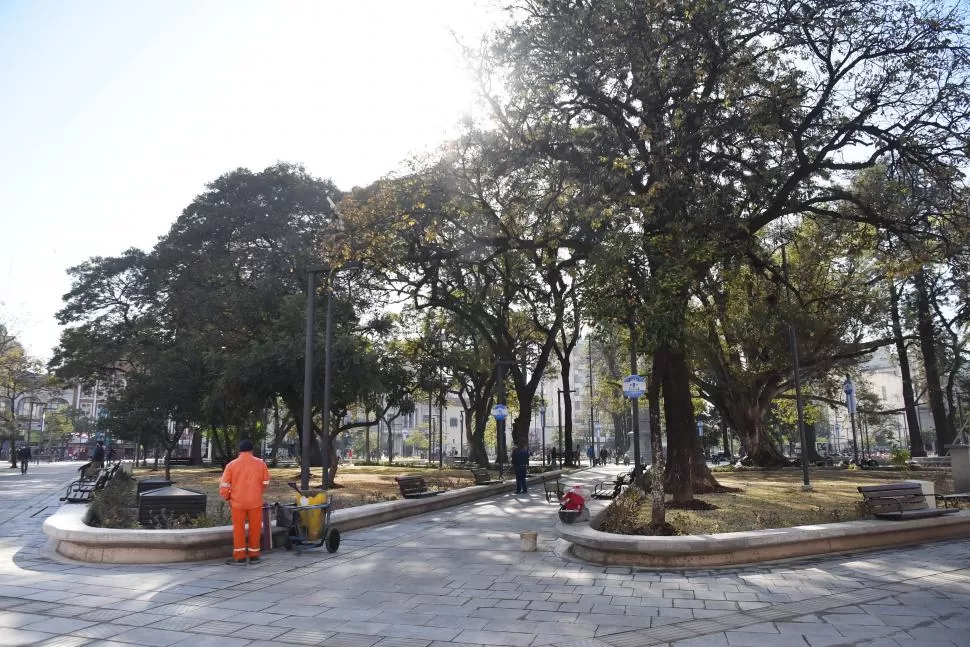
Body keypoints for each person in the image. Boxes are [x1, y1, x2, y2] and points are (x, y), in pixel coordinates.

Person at [219, 439, 270, 565]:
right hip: (255, 502)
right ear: (252, 451)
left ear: (239, 451)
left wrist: (228, 497)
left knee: (239, 529)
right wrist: (257, 493)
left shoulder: (232, 465)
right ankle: (254, 556)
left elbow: (224, 486)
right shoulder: (261, 464)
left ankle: (240, 557)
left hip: (238, 502)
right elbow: (266, 483)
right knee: (255, 528)